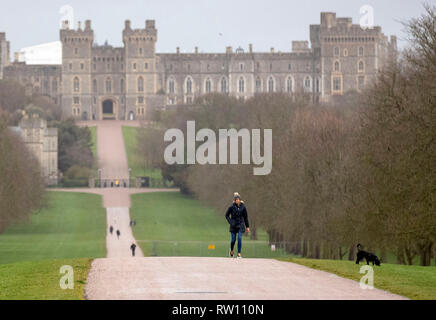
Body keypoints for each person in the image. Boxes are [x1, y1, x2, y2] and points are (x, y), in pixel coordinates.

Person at [225, 192, 250, 258]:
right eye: (236, 199)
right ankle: (231, 250)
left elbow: (245, 217)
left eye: (238, 199)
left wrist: (247, 227)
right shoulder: (231, 207)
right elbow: (226, 215)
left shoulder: (243, 207)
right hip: (233, 225)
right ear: (234, 200)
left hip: (241, 225)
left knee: (239, 238)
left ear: (240, 200)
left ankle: (239, 253)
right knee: (233, 240)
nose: (237, 200)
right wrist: (230, 222)